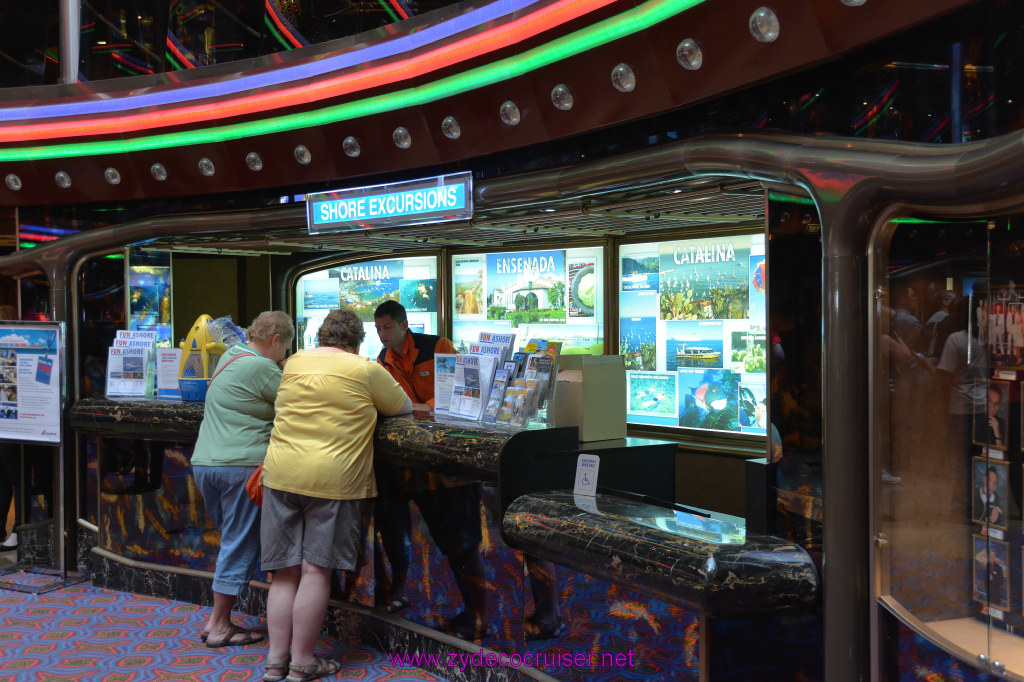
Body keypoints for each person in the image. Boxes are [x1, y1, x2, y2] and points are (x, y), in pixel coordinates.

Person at [261, 308, 411, 682]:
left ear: (321, 336)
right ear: (357, 339)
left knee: (283, 574)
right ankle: (302, 662)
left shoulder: (293, 363)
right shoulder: (365, 369)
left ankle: (275, 662)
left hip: (280, 474)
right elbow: (403, 408)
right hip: (334, 480)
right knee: (315, 570)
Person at [372, 300, 491, 640]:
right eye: (378, 329)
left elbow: (464, 391)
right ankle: (401, 592)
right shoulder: (382, 361)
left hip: (449, 457)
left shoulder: (437, 347)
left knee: (462, 543)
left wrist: (428, 407)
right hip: (411, 461)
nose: (382, 335)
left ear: (404, 324)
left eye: (388, 328)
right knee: (407, 533)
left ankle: (477, 617)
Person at [191, 310, 294, 648]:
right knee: (239, 543)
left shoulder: (231, 356)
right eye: (286, 347)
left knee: (232, 540)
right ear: (276, 341)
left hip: (206, 463)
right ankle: (219, 625)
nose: (286, 355)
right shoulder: (263, 366)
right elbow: (296, 403)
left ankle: (215, 620)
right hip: (240, 467)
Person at [0, 304, 19, 551]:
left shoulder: (12, 353)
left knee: (10, 479)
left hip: (13, 424)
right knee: (7, 480)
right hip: (10, 424)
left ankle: (15, 532)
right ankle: (11, 532)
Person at [975, 385, 1007, 450]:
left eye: (996, 404)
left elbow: (1001, 454)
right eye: (989, 401)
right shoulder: (974, 418)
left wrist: (997, 434)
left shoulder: (1002, 424)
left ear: (999, 406)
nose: (992, 407)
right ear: (984, 400)